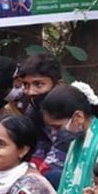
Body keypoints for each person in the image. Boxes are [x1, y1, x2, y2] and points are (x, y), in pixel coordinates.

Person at [16, 53, 67, 185]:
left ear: (58, 84)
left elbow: (62, 149)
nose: (31, 92)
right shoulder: (33, 108)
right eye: (26, 85)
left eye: (38, 84)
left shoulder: (72, 110)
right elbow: (35, 142)